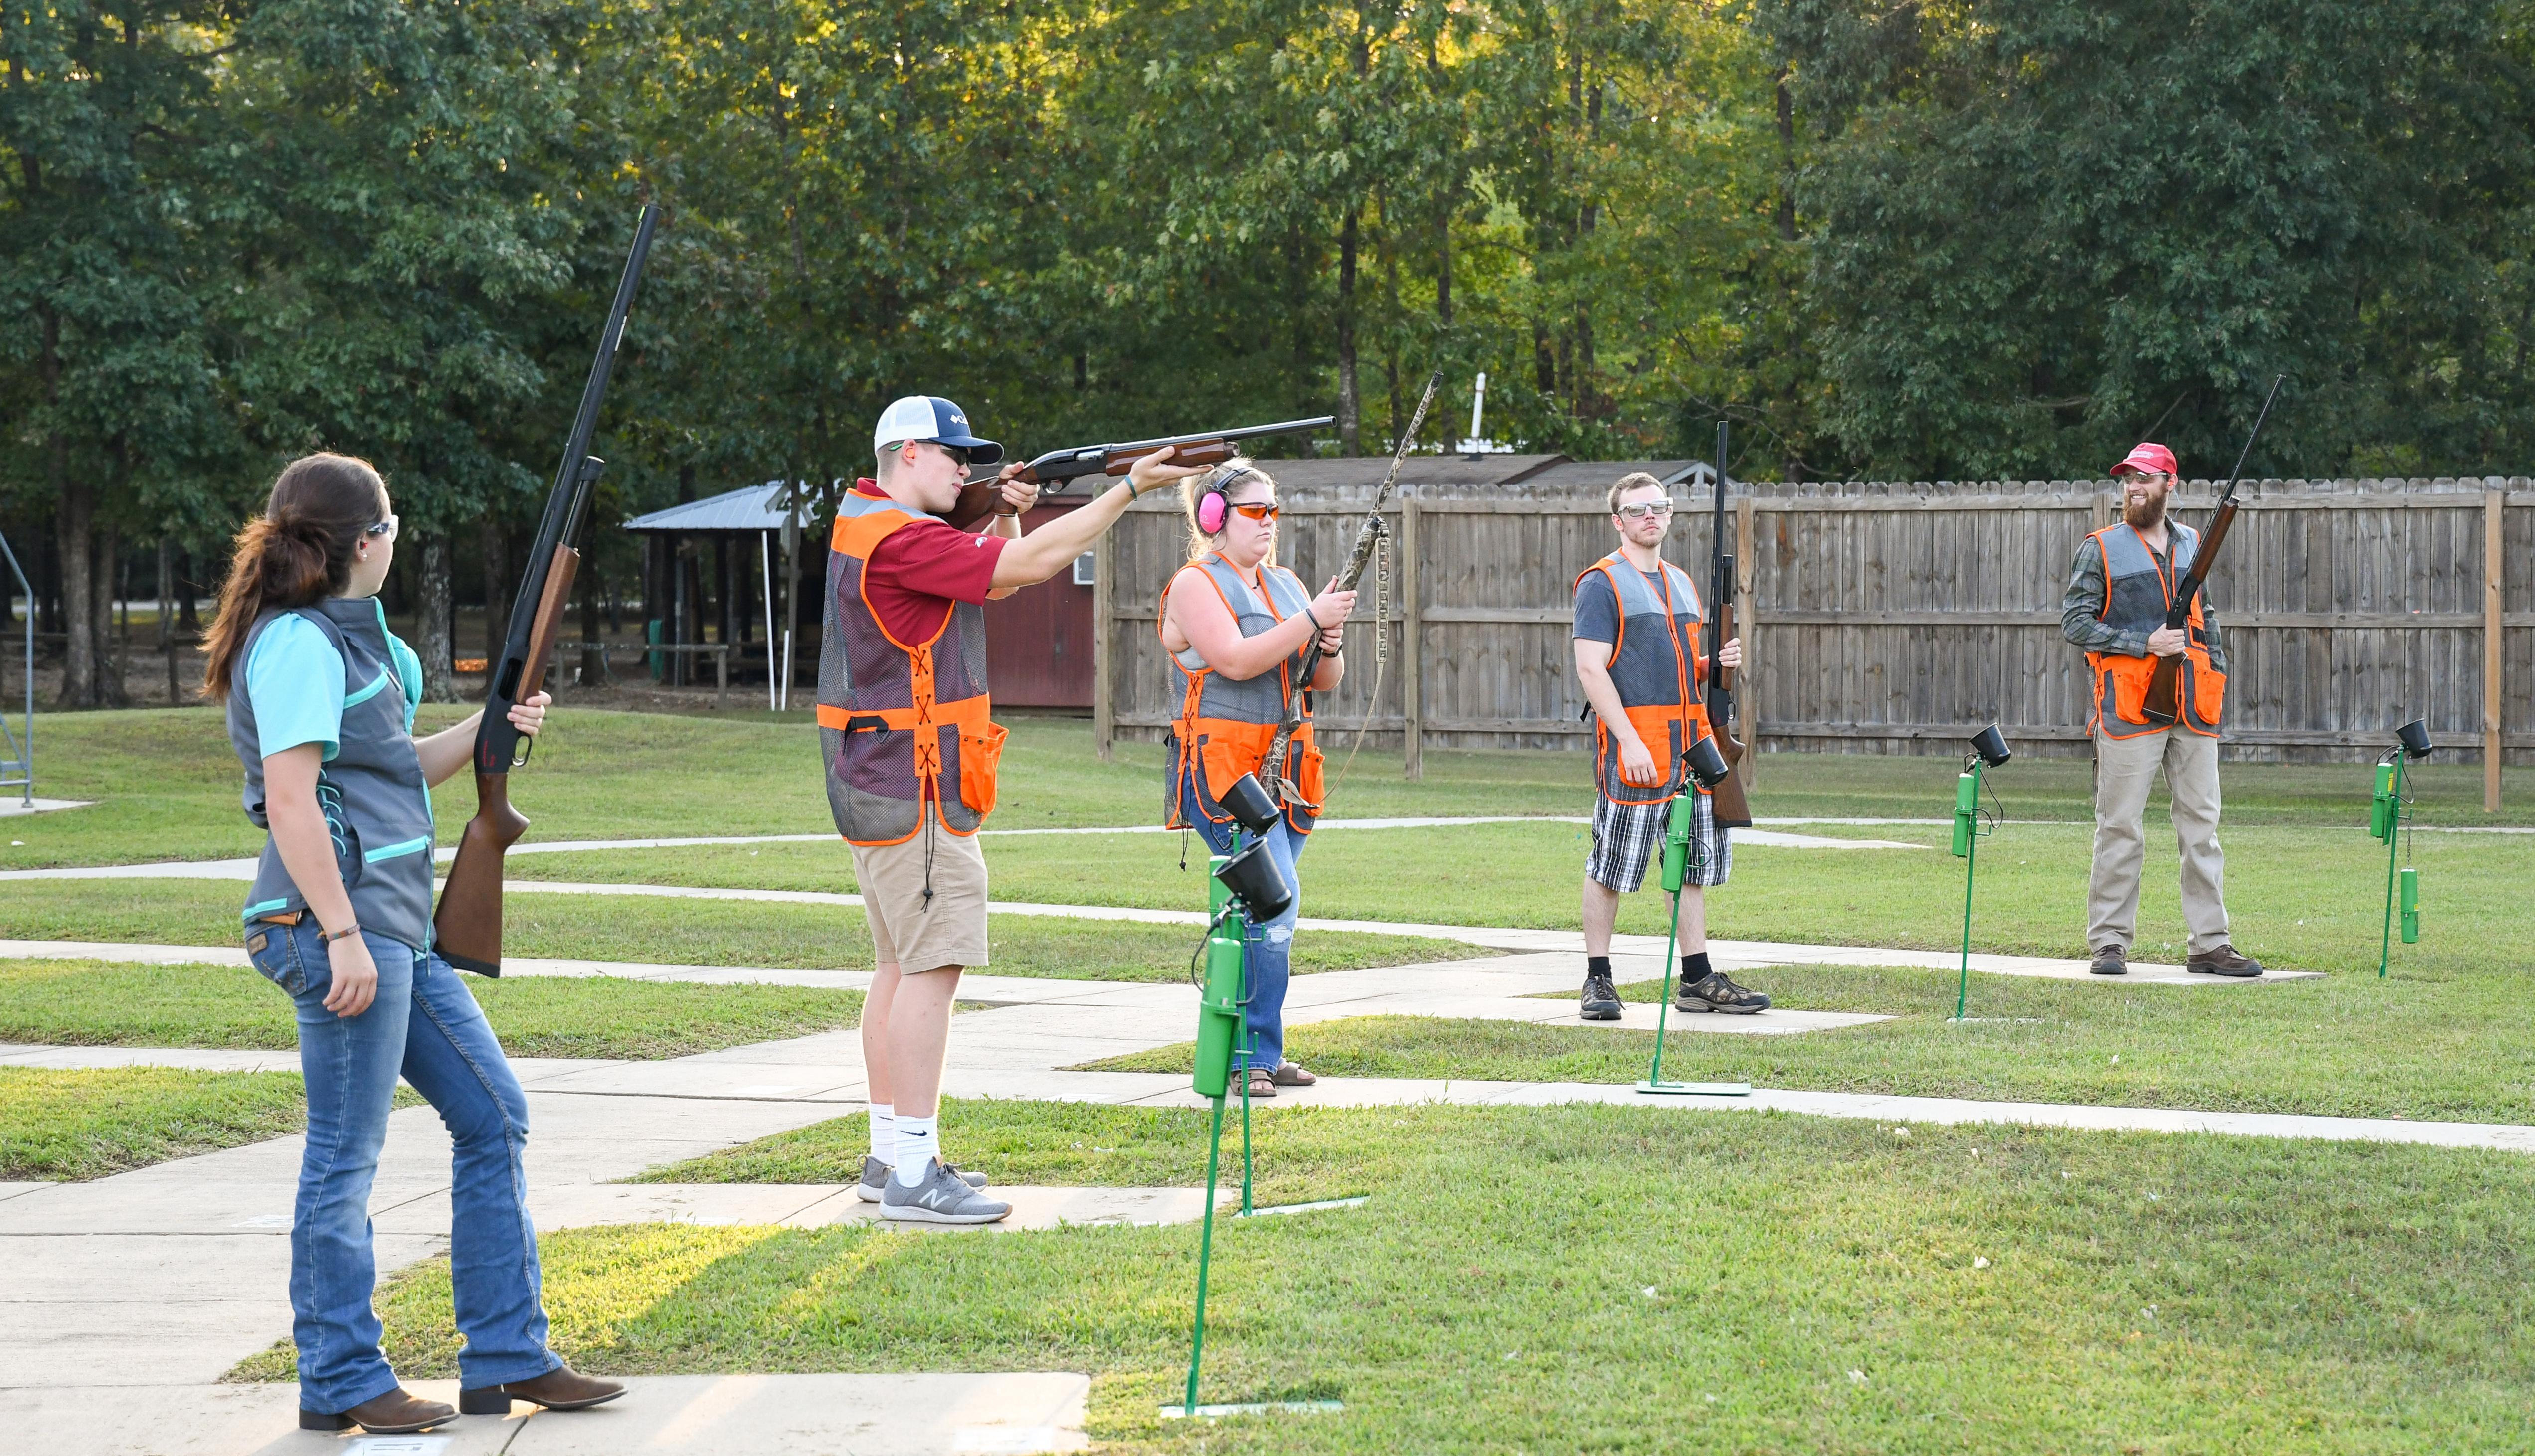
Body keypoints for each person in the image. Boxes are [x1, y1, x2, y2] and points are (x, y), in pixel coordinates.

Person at [203, 454, 623, 1436]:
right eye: (392, 523)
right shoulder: (301, 645)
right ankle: (342, 1374)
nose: (398, 538)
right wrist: (342, 931)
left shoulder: (372, 648)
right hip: (336, 925)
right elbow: (296, 799)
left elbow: (394, 768)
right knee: (346, 1155)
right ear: (363, 541)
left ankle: (508, 1354)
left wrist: (489, 726)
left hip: (390, 927)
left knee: (493, 1114)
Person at [827, 395, 1205, 1222]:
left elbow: (976, 585)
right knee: (932, 970)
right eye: (955, 456)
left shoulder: (867, 521)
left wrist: (997, 517)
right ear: (910, 452)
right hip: (918, 792)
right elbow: (1031, 569)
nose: (967, 470)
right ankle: (916, 1178)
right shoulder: (903, 536)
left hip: (881, 784)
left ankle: (891, 1156)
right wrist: (1128, 489)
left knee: (897, 968)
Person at [1157, 459, 1355, 1099]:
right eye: (1254, 511)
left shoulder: (1288, 585)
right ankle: (1246, 1056)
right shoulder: (1195, 584)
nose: (1268, 522)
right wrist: (1310, 618)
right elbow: (1236, 661)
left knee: (1272, 912)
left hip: (1288, 769)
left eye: (1274, 510)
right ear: (1214, 518)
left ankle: (1261, 1049)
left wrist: (1326, 640)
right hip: (1226, 772)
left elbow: (1323, 680)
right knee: (1274, 903)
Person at [2064, 442, 2263, 977]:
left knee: (2201, 826)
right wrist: (2141, 644)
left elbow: (2206, 617)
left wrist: (2215, 672)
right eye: (2127, 478)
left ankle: (2209, 944)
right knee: (2119, 827)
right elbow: (2074, 623)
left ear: (2168, 484)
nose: (2132, 487)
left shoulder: (2192, 542)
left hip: (2192, 707)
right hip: (2129, 708)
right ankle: (2108, 943)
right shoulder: (2100, 548)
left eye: (2144, 478)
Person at [1570, 472, 1763, 1019]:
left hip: (1695, 749)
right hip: (1635, 749)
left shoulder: (1680, 581)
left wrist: (1712, 665)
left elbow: (1673, 666)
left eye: (1658, 506)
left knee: (1692, 866)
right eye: (1636, 510)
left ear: (1670, 514)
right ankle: (1597, 980)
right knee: (1612, 865)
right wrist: (1627, 739)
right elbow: (1591, 668)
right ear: (1618, 521)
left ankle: (1697, 978)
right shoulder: (1600, 583)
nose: (1649, 516)